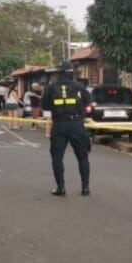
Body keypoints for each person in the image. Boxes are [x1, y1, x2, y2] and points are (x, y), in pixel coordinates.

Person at [41, 62, 92, 196]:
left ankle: (60, 188)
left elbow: (45, 107)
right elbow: (88, 103)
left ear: (58, 73)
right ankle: (85, 188)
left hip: (59, 125)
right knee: (83, 157)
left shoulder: (52, 88)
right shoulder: (79, 86)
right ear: (71, 73)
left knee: (57, 158)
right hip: (76, 124)